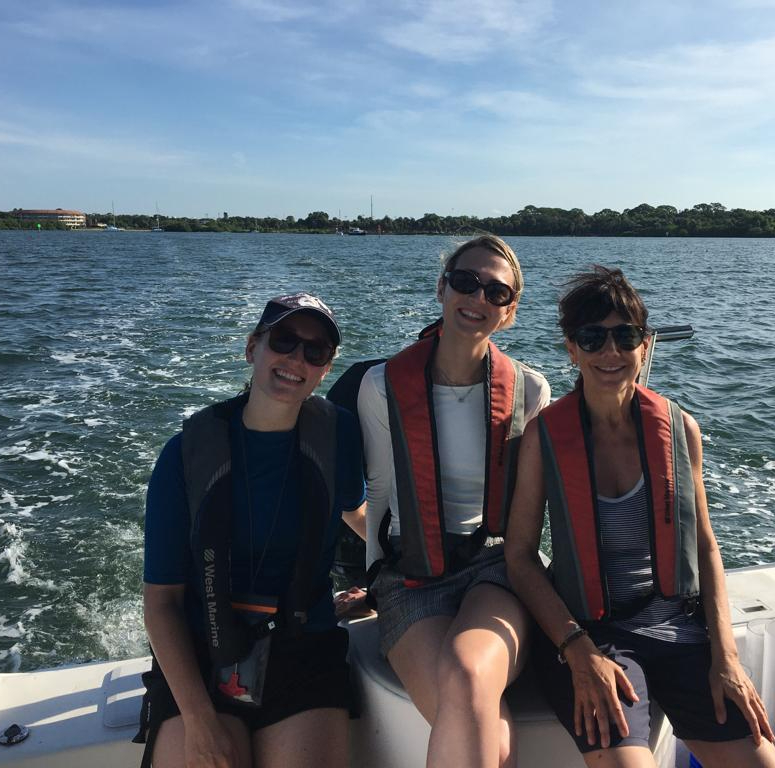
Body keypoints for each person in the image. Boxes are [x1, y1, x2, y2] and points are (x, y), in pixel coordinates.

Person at [504, 266, 775, 768]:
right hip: (591, 633)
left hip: (679, 627)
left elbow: (705, 545)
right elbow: (520, 557)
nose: (610, 353)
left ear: (646, 344)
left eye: (625, 336)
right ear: (571, 349)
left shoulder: (680, 430)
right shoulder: (544, 439)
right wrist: (578, 650)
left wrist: (727, 659)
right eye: (592, 338)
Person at [138, 292, 367, 768]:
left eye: (314, 351)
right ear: (252, 349)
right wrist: (199, 722)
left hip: (303, 647)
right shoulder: (186, 455)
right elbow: (161, 604)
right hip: (203, 652)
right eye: (283, 341)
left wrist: (398, 579)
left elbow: (355, 512)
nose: (295, 359)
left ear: (325, 369)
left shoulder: (337, 434)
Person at [357, 235, 551, 768]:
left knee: (467, 672)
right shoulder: (381, 386)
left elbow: (529, 517)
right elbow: (379, 491)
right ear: (442, 288)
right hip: (410, 575)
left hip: (496, 567)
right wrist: (373, 577)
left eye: (497, 291)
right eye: (466, 281)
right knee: (494, 739)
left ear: (510, 312)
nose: (479, 297)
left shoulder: (531, 392)